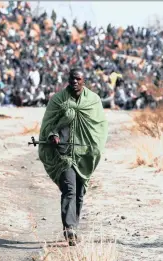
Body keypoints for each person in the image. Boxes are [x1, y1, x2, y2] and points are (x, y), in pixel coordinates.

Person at [38, 68, 108, 246]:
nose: (75, 82)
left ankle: (73, 227)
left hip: (84, 155)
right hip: (64, 154)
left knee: (80, 193)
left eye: (78, 79)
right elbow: (48, 125)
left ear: (84, 81)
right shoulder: (59, 100)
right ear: (68, 80)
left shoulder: (93, 101)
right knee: (69, 190)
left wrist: (94, 150)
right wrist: (52, 135)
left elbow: (99, 129)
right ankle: (70, 229)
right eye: (72, 79)